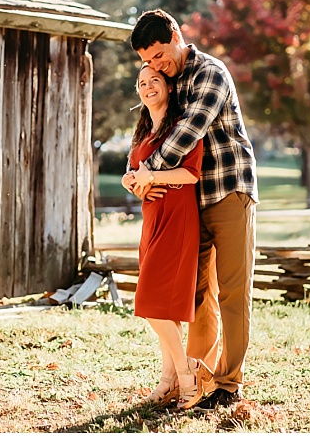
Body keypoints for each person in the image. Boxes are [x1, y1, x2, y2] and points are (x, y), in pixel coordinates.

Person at [128, 9, 258, 411]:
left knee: (233, 291)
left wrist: (148, 172)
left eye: (161, 54)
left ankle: (228, 382)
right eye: (148, 61)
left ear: (177, 36)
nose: (156, 65)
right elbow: (157, 125)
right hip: (192, 202)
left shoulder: (210, 74)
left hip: (229, 190)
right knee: (199, 295)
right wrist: (136, 176)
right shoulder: (170, 81)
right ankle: (196, 376)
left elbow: (188, 133)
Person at [122, 64, 209, 410]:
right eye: (142, 83)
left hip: (177, 217)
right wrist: (133, 183)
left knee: (149, 301)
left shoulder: (181, 129)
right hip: (151, 219)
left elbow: (190, 175)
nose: (147, 87)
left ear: (169, 88)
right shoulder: (142, 133)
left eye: (154, 81)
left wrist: (152, 178)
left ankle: (188, 373)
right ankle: (168, 380)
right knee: (164, 309)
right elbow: (134, 175)